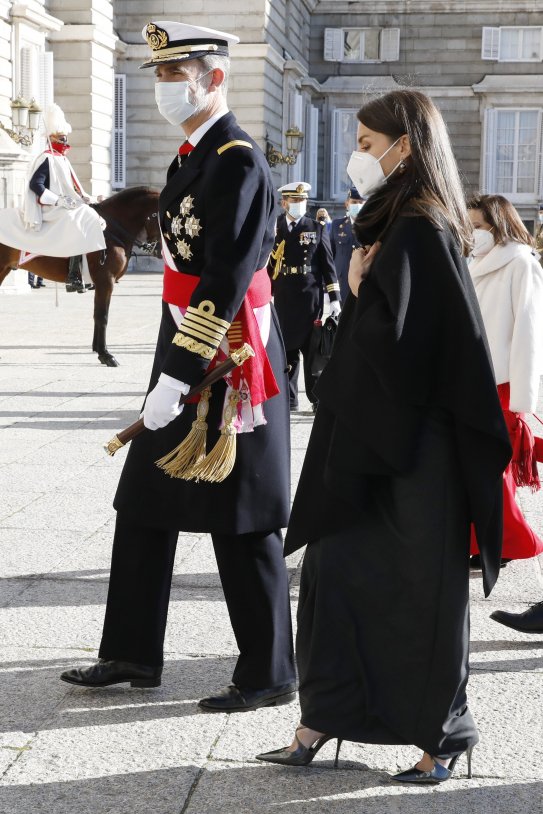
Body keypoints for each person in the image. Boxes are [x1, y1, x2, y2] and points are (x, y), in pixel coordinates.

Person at [256, 90, 511, 782]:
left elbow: (407, 348)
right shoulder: (396, 218)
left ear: (406, 146)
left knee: (418, 596)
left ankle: (439, 741)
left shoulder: (420, 226)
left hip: (414, 452)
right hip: (374, 437)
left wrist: (357, 289)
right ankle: (321, 720)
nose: (358, 155)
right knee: (334, 578)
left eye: (368, 143)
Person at [60, 20, 296, 712]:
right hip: (186, 343)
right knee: (143, 504)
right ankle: (132, 651)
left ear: (214, 77)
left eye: (175, 73)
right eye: (158, 74)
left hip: (230, 355)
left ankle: (268, 672)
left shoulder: (237, 159)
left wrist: (179, 374)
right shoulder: (191, 155)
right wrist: (167, 366)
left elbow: (226, 277)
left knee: (243, 515)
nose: (163, 86)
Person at [465, 194, 543, 628]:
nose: (472, 231)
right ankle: (486, 543)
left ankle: (516, 542)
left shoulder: (520, 262)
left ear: (497, 224)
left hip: (505, 385)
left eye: (478, 224)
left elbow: (530, 330)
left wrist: (524, 403)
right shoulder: (473, 261)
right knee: (478, 472)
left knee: (494, 472)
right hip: (474, 383)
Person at [269, 182, 341, 412]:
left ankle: (317, 398)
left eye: (302, 201)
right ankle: (289, 400)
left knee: (313, 353)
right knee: (286, 351)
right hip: (283, 294)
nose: (299, 205)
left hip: (310, 296)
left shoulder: (316, 227)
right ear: (284, 203)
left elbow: (328, 266)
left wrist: (335, 298)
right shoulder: (275, 227)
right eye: (294, 201)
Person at [27, 104, 104, 292]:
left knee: (94, 217)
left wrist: (89, 198)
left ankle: (88, 273)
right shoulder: (47, 158)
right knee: (77, 222)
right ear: (51, 138)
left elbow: (73, 188)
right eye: (61, 137)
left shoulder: (62, 158)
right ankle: (72, 276)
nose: (65, 140)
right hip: (51, 207)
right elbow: (35, 185)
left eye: (66, 137)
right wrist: (58, 200)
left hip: (67, 204)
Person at [330, 187, 365, 302]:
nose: (358, 205)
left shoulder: (373, 226)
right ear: (347, 204)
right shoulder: (337, 225)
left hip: (364, 282)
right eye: (354, 202)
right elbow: (330, 257)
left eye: (360, 202)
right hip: (342, 282)